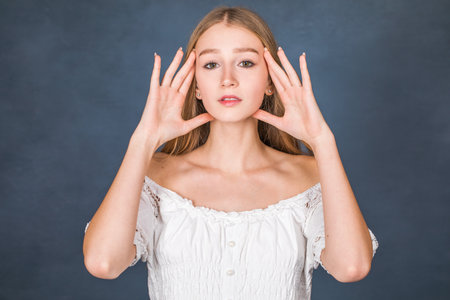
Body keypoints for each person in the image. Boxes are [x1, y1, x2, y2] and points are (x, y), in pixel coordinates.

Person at [83, 5, 379, 300]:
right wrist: (143, 141)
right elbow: (103, 263)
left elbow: (351, 267)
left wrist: (322, 141)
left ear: (270, 82)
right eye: (211, 64)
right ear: (195, 85)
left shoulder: (310, 177)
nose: (227, 79)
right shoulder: (156, 176)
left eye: (245, 63)